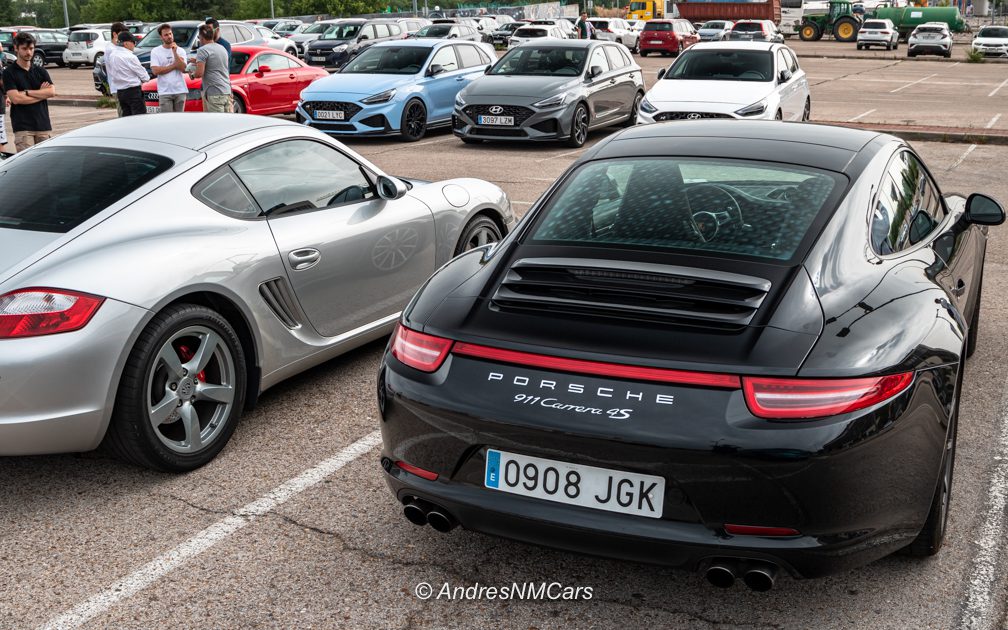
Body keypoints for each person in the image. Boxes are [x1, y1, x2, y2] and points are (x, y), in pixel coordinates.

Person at [2, 32, 55, 152]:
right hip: (23, 128)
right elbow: (15, 99)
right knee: (28, 168)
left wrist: (26, 92)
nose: (29, 52)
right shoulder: (9, 72)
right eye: (24, 49)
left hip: (43, 126)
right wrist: (41, 94)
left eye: (31, 48)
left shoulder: (41, 71)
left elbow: (51, 92)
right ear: (16, 48)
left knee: (45, 166)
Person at [105, 31, 149, 116]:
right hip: (133, 92)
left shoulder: (112, 55)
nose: (134, 44)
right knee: (139, 119)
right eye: (133, 42)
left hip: (120, 92)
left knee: (127, 119)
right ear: (126, 44)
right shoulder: (130, 56)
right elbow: (145, 77)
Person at [193, 24, 232, 113]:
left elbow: (199, 73)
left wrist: (192, 74)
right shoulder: (222, 48)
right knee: (228, 123)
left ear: (202, 37)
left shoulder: (202, 50)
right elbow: (216, 65)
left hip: (214, 92)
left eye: (199, 37)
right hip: (226, 91)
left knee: (217, 123)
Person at [149, 23, 188, 113]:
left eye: (170, 34)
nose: (169, 36)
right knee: (167, 120)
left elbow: (182, 68)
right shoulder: (155, 51)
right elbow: (155, 71)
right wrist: (174, 65)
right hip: (165, 91)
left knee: (179, 120)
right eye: (166, 35)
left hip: (180, 90)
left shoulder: (180, 50)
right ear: (161, 37)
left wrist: (174, 52)